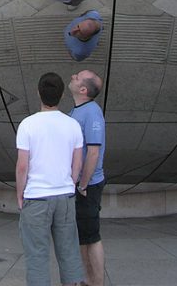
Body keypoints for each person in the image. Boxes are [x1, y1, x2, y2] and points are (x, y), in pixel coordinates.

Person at [16, 72, 85, 286]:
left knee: (37, 255)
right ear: (62, 94)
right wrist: (70, 184)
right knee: (69, 252)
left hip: (36, 197)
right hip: (64, 197)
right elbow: (77, 163)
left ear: (38, 93)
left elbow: (22, 165)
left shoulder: (27, 124)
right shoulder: (72, 125)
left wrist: (20, 193)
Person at [68, 70, 106, 286]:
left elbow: (93, 152)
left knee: (91, 237)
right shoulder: (78, 110)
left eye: (78, 76)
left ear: (83, 89)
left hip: (88, 186)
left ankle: (96, 283)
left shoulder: (91, 112)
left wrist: (82, 184)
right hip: (80, 185)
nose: (73, 76)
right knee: (83, 237)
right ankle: (88, 281)